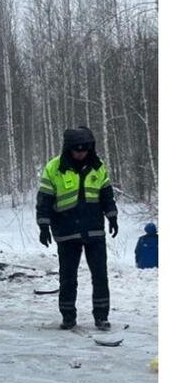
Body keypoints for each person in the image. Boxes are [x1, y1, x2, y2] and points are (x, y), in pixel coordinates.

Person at [36, 126, 117, 330]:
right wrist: (43, 225)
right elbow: (44, 199)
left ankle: (101, 316)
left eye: (85, 149)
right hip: (66, 231)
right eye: (77, 149)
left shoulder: (98, 167)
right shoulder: (54, 168)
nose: (81, 153)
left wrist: (112, 217)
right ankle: (68, 316)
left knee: (100, 275)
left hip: (94, 230)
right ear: (68, 148)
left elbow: (106, 195)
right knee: (68, 277)